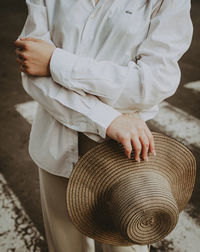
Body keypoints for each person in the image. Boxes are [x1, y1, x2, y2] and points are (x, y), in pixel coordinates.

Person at [14, 0, 193, 251]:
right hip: (56, 147)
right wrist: (108, 120)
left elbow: (152, 83)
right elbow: (31, 65)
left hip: (122, 153)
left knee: (124, 242)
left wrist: (56, 62)